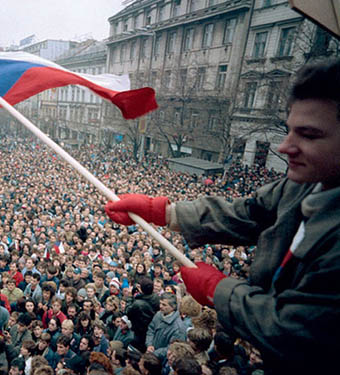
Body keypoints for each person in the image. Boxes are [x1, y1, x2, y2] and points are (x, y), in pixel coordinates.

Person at [104, 59, 340, 374]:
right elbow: (248, 213)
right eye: (289, 131)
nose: (285, 146)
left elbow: (292, 328)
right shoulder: (303, 185)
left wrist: (221, 290)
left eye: (308, 135)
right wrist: (165, 212)